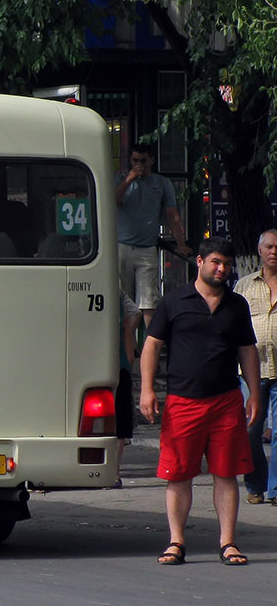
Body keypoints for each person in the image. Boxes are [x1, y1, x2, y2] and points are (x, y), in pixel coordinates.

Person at [139, 237, 260, 566]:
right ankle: (176, 542)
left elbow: (247, 351)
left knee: (227, 474)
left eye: (227, 264)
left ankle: (228, 543)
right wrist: (147, 390)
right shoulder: (174, 300)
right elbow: (151, 346)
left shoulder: (237, 305)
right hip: (183, 401)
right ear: (200, 262)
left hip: (226, 401)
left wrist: (254, 394)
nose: (222, 269)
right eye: (216, 262)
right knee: (178, 474)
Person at [116, 144, 192, 327]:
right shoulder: (121, 179)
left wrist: (181, 244)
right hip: (122, 245)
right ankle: (129, 348)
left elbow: (172, 215)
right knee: (123, 300)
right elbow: (114, 200)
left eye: (143, 161)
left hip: (147, 246)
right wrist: (129, 180)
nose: (139, 164)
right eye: (135, 160)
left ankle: (151, 345)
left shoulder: (161, 183)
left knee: (149, 300)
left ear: (151, 160)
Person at [234, 229, 277, 505]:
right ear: (260, 251)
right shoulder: (244, 286)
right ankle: (256, 483)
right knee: (250, 429)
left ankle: (275, 489)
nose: (274, 251)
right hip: (252, 370)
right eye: (269, 246)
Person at [114, 287, 142, 488]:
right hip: (118, 362)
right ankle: (113, 472)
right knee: (120, 420)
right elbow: (134, 314)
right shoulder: (115, 288)